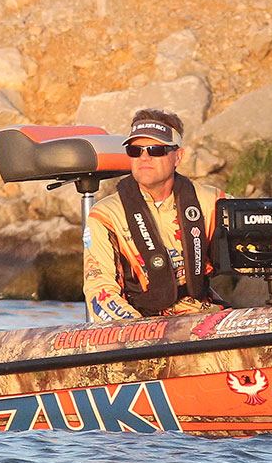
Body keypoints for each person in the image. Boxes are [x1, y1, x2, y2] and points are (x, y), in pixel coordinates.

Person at [83, 109, 229, 321]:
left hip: (203, 316)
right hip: (140, 322)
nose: (144, 157)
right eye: (135, 150)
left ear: (178, 156)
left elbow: (251, 246)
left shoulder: (213, 201)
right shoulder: (105, 215)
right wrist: (138, 330)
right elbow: (100, 292)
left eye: (156, 150)